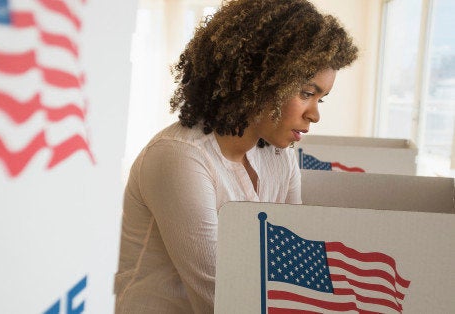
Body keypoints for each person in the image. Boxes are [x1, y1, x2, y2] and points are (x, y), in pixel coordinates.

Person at [114, 0, 358, 312]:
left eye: (320, 99)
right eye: (306, 93)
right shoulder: (179, 157)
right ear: (261, 79)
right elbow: (222, 297)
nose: (314, 115)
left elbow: (292, 266)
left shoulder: (279, 156)